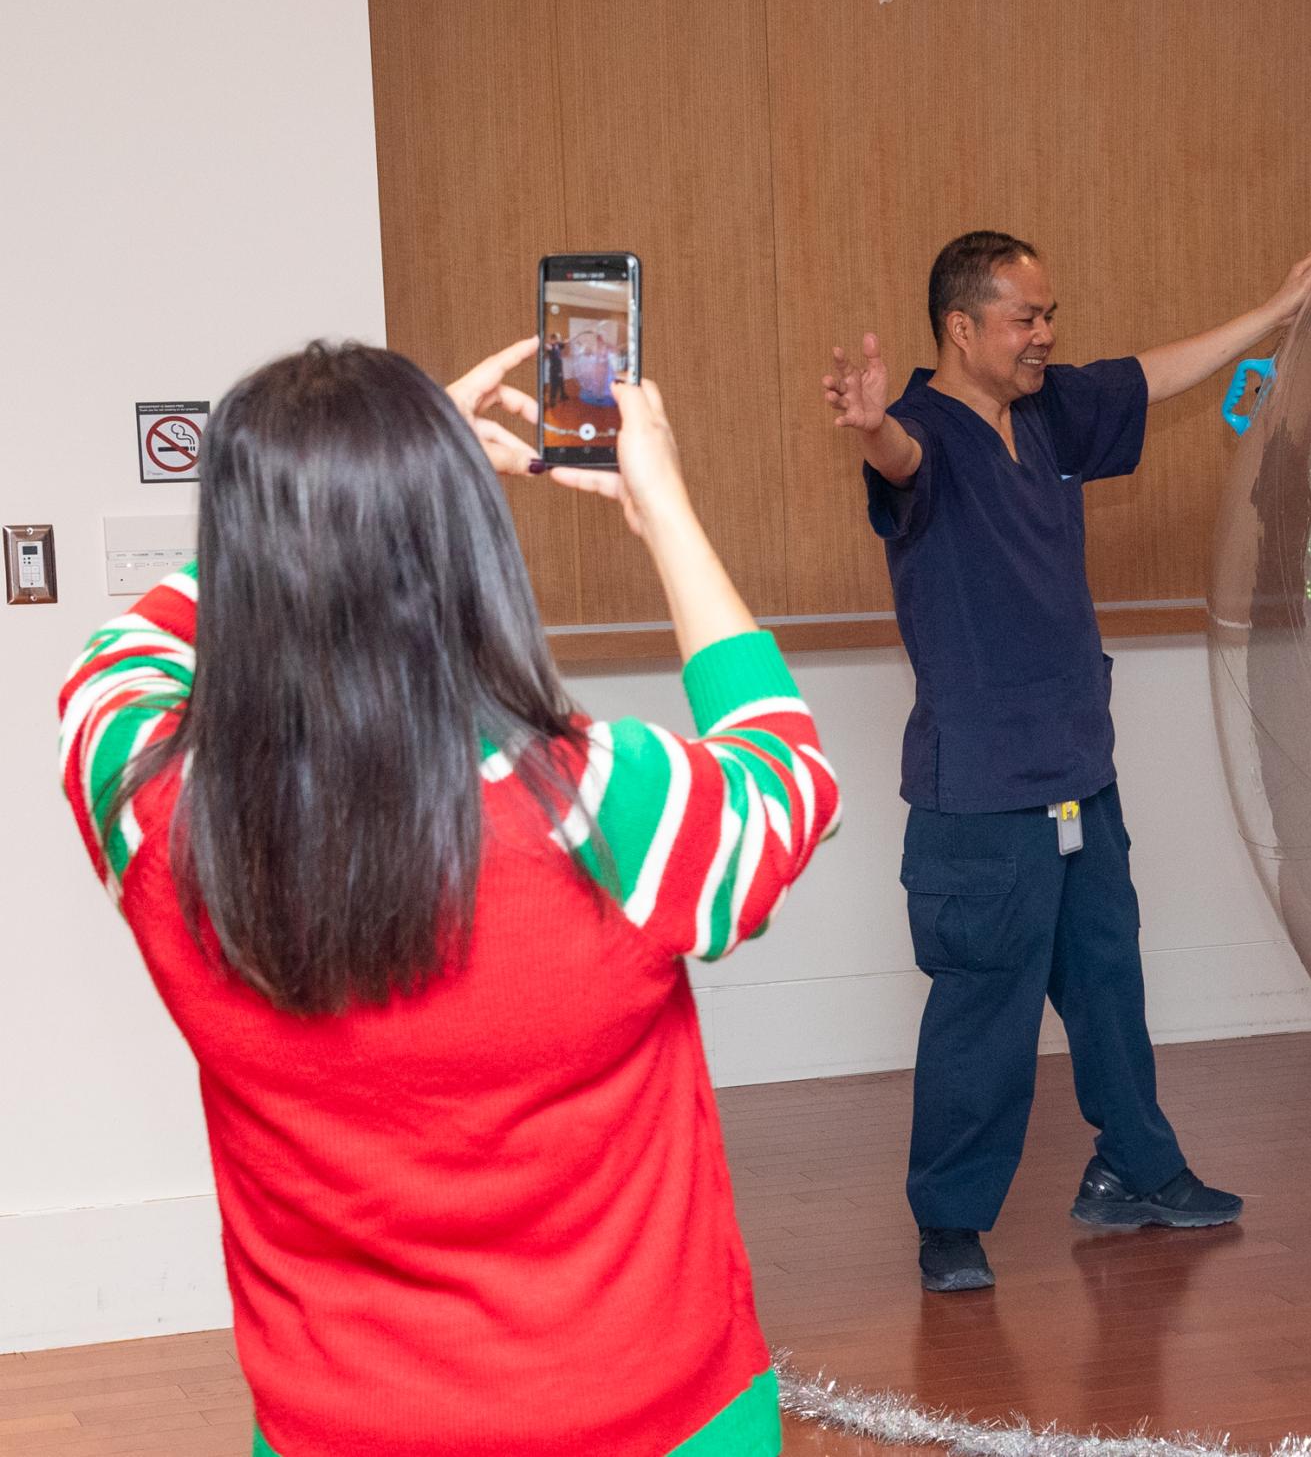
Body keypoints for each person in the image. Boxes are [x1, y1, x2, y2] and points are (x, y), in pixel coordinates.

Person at [57, 337, 840, 1454]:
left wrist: (305, 512)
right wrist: (663, 509)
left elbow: (115, 658)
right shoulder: (601, 809)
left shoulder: (154, 813)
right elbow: (787, 768)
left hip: (336, 1427)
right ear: (461, 548)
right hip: (655, 1420)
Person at [822, 230, 1311, 1291]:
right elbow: (897, 460)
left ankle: (1135, 1171)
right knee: (984, 1009)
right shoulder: (922, 431)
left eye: (1050, 315)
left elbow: (1156, 371)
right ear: (960, 327)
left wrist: (1275, 310)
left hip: (1074, 771)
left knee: (1107, 975)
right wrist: (869, 427)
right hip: (979, 793)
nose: (1045, 334)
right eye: (1025, 317)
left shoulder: (1050, 411)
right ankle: (950, 1221)